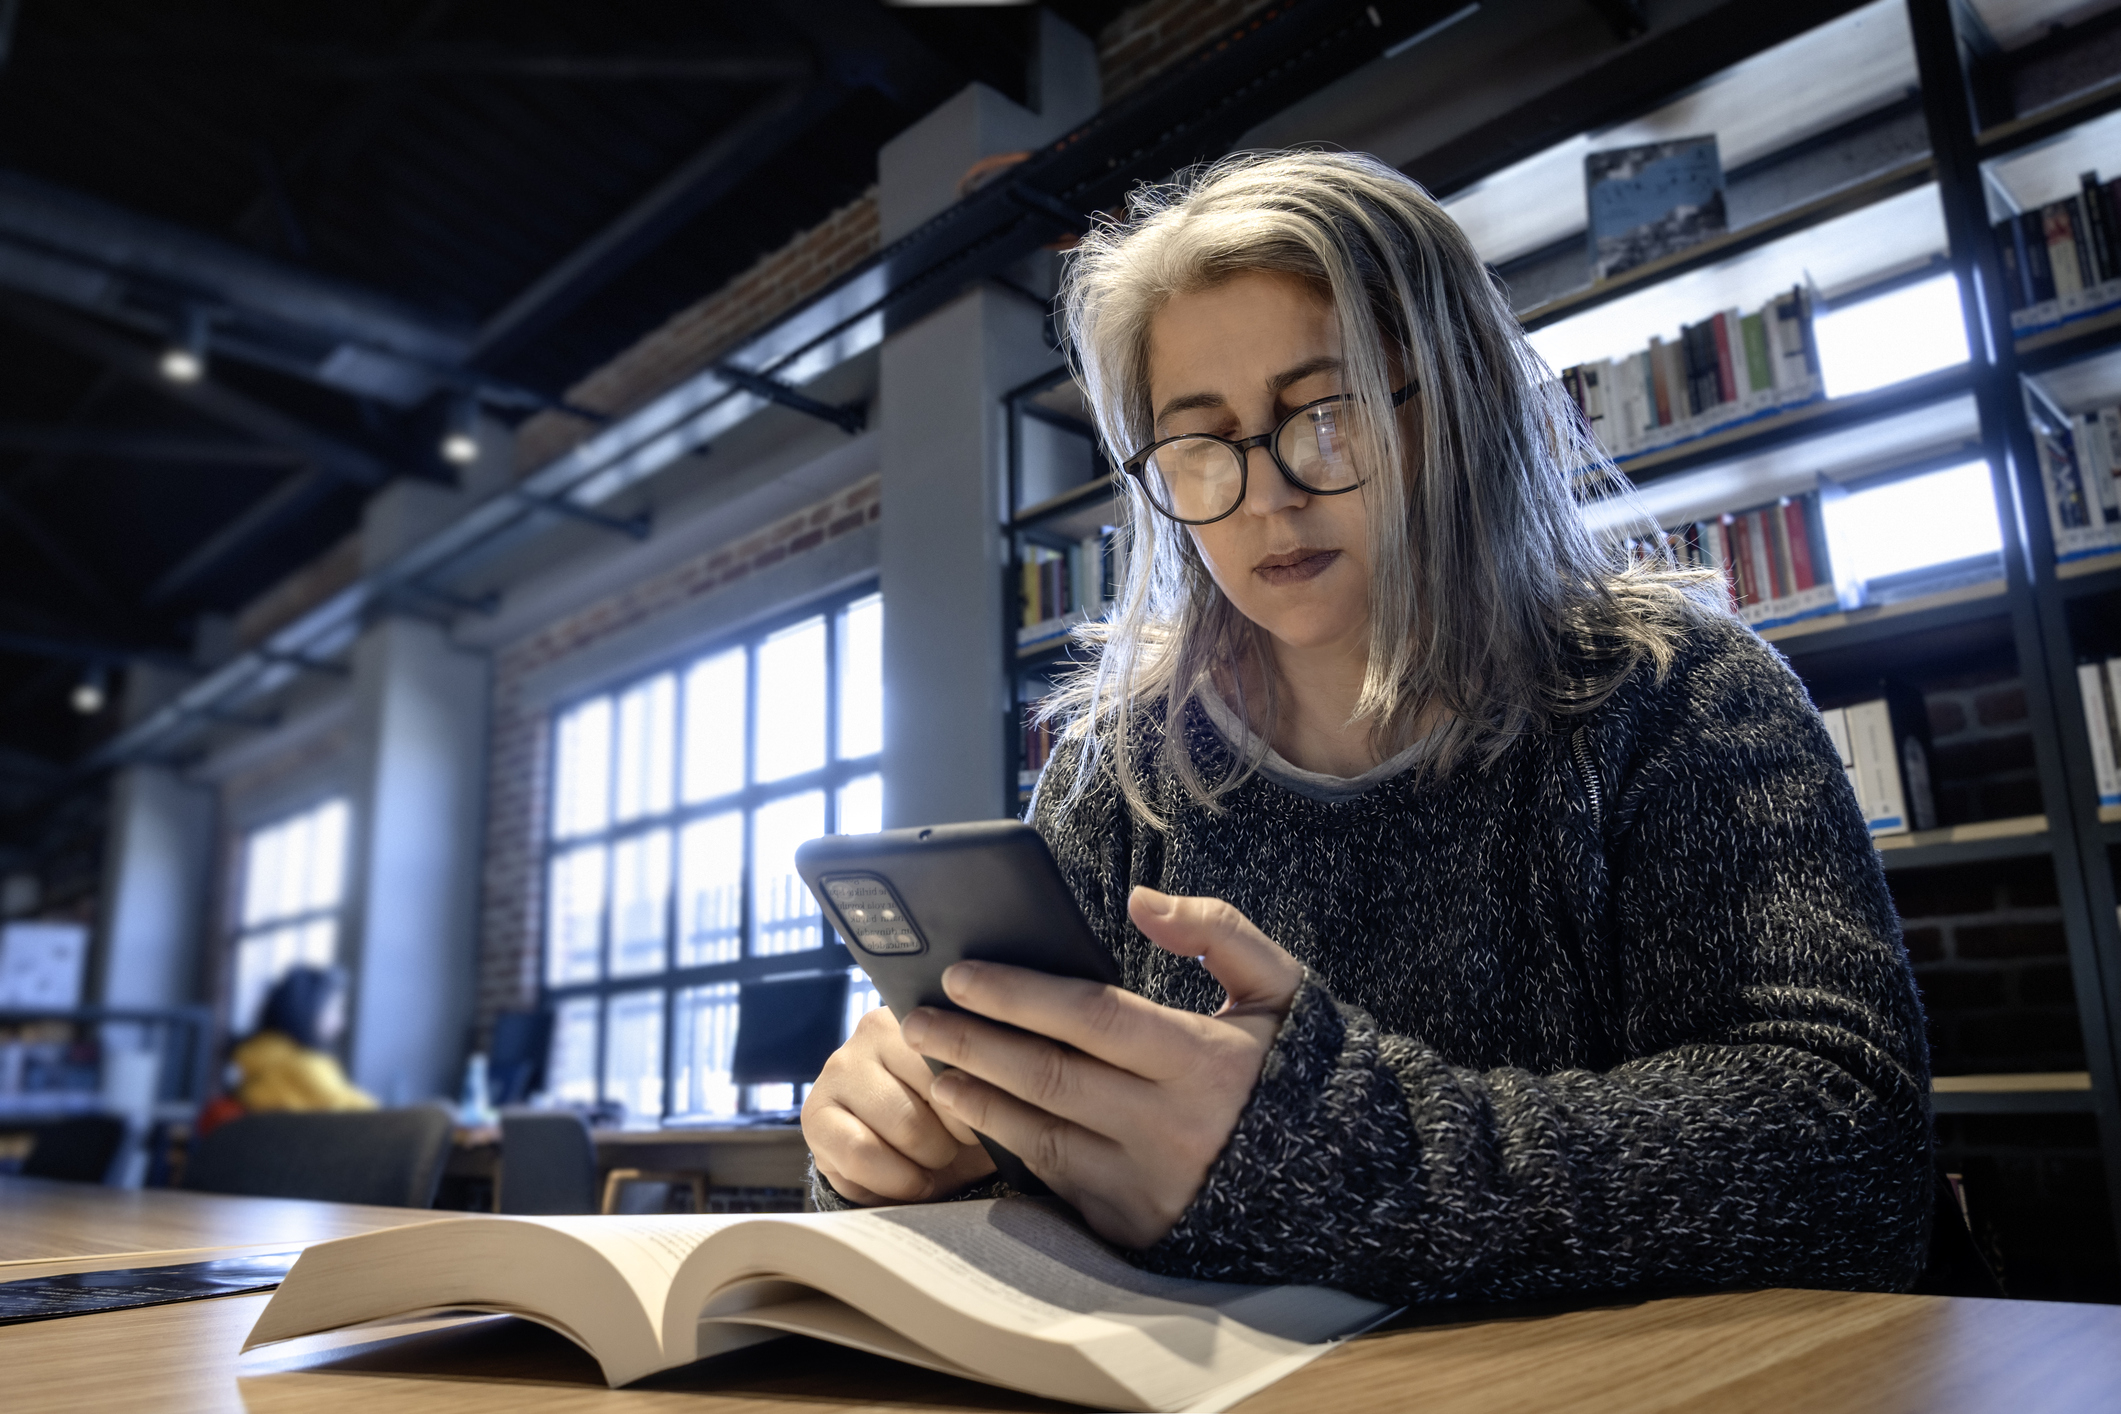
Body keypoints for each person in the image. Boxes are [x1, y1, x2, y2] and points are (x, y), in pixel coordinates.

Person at [800, 150, 1931, 1304]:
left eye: (1325, 415)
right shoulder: (1119, 776)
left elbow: (1845, 1148)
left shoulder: (1676, 694)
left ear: (1459, 401)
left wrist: (1317, 1146)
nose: (1271, 493)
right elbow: (1038, 1176)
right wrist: (896, 1157)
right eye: (1200, 444)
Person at [225, 965, 375, 1116]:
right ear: (309, 1009)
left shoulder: (262, 1055)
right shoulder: (303, 1066)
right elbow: (362, 1111)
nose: (341, 1022)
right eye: (334, 1009)